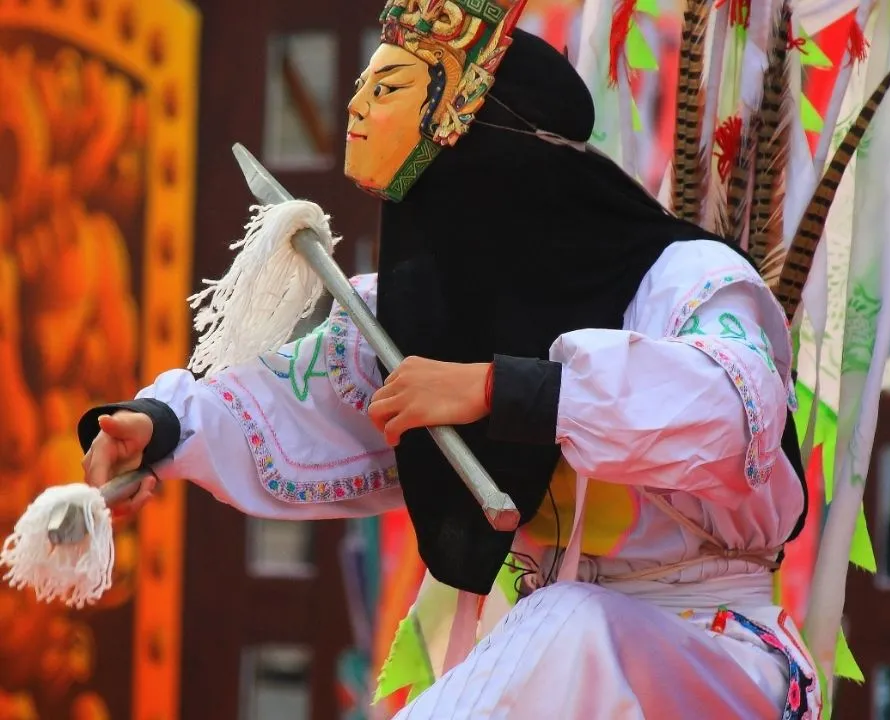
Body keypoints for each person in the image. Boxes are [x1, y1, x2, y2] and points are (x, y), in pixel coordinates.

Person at [77, 1, 819, 716]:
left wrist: (503, 390)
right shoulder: (443, 310)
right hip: (546, 668)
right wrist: (166, 424)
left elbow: (729, 412)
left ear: (506, 173)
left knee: (573, 628)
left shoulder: (685, 281)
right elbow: (301, 400)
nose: (439, 229)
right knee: (558, 629)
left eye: (450, 193)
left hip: (707, 651)